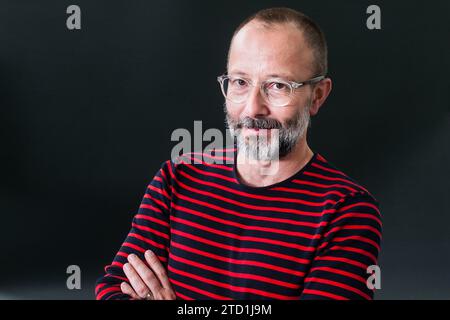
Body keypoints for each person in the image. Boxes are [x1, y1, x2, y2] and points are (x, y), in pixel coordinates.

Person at [95, 7, 382, 300]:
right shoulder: (177, 178)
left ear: (318, 95)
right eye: (240, 82)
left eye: (277, 86)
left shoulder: (347, 211)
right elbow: (112, 289)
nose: (253, 108)